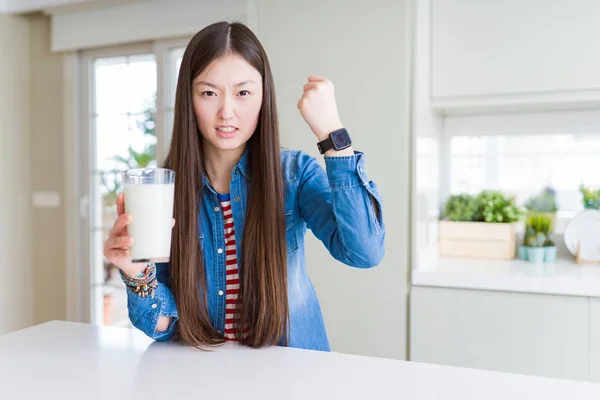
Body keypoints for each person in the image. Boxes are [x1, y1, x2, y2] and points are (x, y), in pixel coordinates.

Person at [103, 21, 385, 352]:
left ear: (264, 96)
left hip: (291, 375)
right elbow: (164, 325)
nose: (226, 112)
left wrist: (333, 135)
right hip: (205, 376)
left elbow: (364, 251)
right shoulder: (164, 190)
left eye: (243, 93)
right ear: (188, 99)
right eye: (208, 93)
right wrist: (137, 274)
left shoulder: (294, 174)